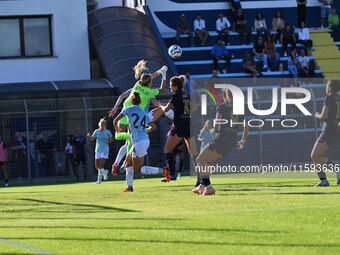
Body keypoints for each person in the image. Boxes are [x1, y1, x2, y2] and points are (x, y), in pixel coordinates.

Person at [108, 61, 167, 175]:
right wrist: (162, 74)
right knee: (130, 141)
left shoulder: (137, 85)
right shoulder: (149, 91)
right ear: (149, 83)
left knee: (119, 137)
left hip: (125, 111)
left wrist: (115, 108)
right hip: (138, 116)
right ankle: (125, 163)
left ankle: (118, 162)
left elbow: (147, 78)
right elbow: (161, 90)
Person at [194, 88, 249, 195]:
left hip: (221, 138)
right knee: (207, 160)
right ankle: (202, 186)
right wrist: (242, 140)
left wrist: (212, 130)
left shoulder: (222, 107)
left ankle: (208, 187)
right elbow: (246, 126)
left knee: (199, 160)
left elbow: (217, 124)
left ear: (224, 96)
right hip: (231, 141)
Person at [113, 92, 169, 192]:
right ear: (139, 102)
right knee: (127, 163)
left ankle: (163, 170)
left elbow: (115, 120)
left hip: (138, 142)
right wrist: (144, 131)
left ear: (131, 101)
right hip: (144, 140)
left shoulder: (128, 109)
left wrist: (117, 128)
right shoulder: (143, 112)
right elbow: (153, 127)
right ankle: (129, 187)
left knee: (138, 169)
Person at [160, 76, 198, 182]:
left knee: (167, 149)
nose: (170, 87)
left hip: (180, 125)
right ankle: (200, 176)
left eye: (171, 85)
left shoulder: (176, 95)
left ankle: (171, 175)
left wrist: (160, 106)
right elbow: (194, 108)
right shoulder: (186, 94)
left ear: (176, 87)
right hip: (188, 123)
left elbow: (166, 109)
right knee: (193, 153)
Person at [311, 79, 340, 186]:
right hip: (334, 131)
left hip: (327, 130)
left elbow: (323, 116)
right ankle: (323, 180)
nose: (326, 87)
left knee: (314, 156)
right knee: (316, 157)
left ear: (330, 87)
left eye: (327, 85)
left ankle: (337, 170)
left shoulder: (329, 98)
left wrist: (316, 114)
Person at [87, 118, 113, 184]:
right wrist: (89, 136)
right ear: (99, 124)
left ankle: (99, 180)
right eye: (101, 123)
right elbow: (93, 139)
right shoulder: (96, 131)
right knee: (97, 166)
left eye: (104, 123)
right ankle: (105, 172)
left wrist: (109, 141)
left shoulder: (107, 132)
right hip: (98, 150)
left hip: (105, 150)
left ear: (105, 125)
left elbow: (112, 138)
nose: (102, 124)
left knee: (100, 166)